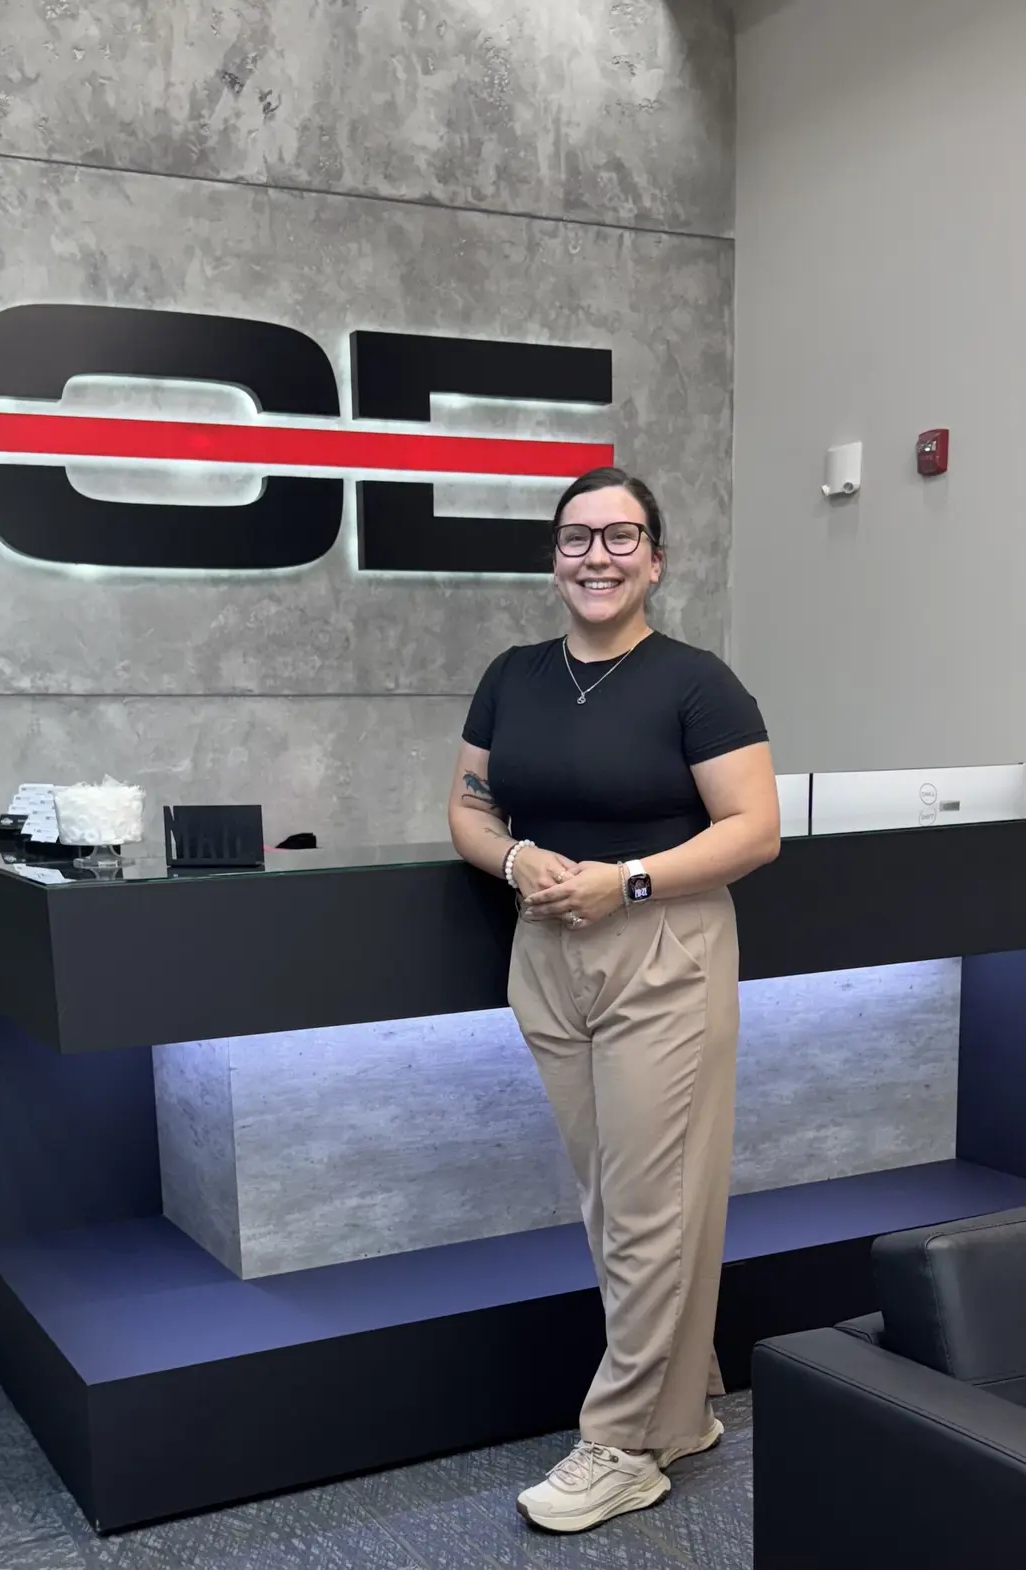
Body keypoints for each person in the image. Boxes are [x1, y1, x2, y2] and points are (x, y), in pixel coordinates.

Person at [447, 466, 780, 1535]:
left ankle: (624, 1443)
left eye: (620, 536)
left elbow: (753, 830)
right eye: (577, 537)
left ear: (657, 557)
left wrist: (626, 877)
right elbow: (467, 807)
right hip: (545, 948)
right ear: (554, 557)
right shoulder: (512, 674)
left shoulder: (696, 681)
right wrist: (514, 865)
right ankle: (681, 1410)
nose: (597, 555)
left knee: (647, 1209)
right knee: (615, 1203)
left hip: (660, 945)